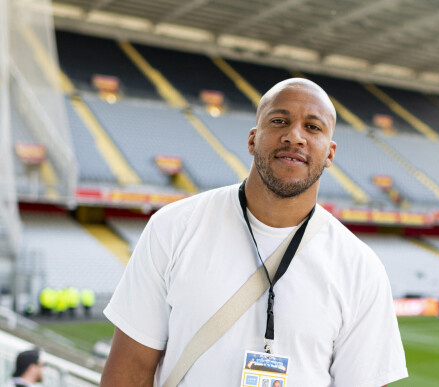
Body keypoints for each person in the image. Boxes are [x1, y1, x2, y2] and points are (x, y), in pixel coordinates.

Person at [101, 78, 407, 386]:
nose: (294, 136)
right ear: (252, 139)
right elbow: (129, 371)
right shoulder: (173, 228)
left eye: (313, 127)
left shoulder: (360, 268)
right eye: (279, 121)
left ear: (330, 153)